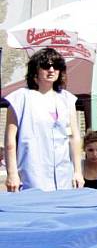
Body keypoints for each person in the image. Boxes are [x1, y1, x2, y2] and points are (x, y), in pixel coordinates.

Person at [3, 48, 83, 191]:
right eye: (46, 66)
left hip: (64, 175)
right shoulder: (20, 99)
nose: (52, 70)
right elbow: (10, 141)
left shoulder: (67, 99)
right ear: (36, 70)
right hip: (33, 174)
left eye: (56, 66)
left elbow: (73, 137)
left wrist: (77, 171)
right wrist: (12, 173)